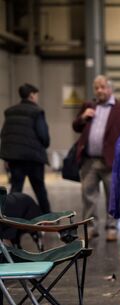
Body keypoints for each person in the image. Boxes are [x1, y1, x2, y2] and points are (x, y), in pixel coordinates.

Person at [72, 75, 120, 241]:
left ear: (110, 88)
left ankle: (111, 227)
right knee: (88, 196)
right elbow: (76, 126)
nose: (99, 90)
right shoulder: (89, 106)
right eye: (96, 87)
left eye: (102, 87)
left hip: (112, 161)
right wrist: (83, 117)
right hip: (89, 160)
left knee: (112, 197)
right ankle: (90, 227)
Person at [0, 83, 51, 214]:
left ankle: (8, 218)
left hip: (15, 159)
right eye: (36, 94)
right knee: (40, 190)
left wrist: (6, 157)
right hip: (33, 158)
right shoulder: (37, 111)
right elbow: (43, 136)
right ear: (32, 95)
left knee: (15, 190)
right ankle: (48, 218)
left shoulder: (10, 112)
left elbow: (5, 135)